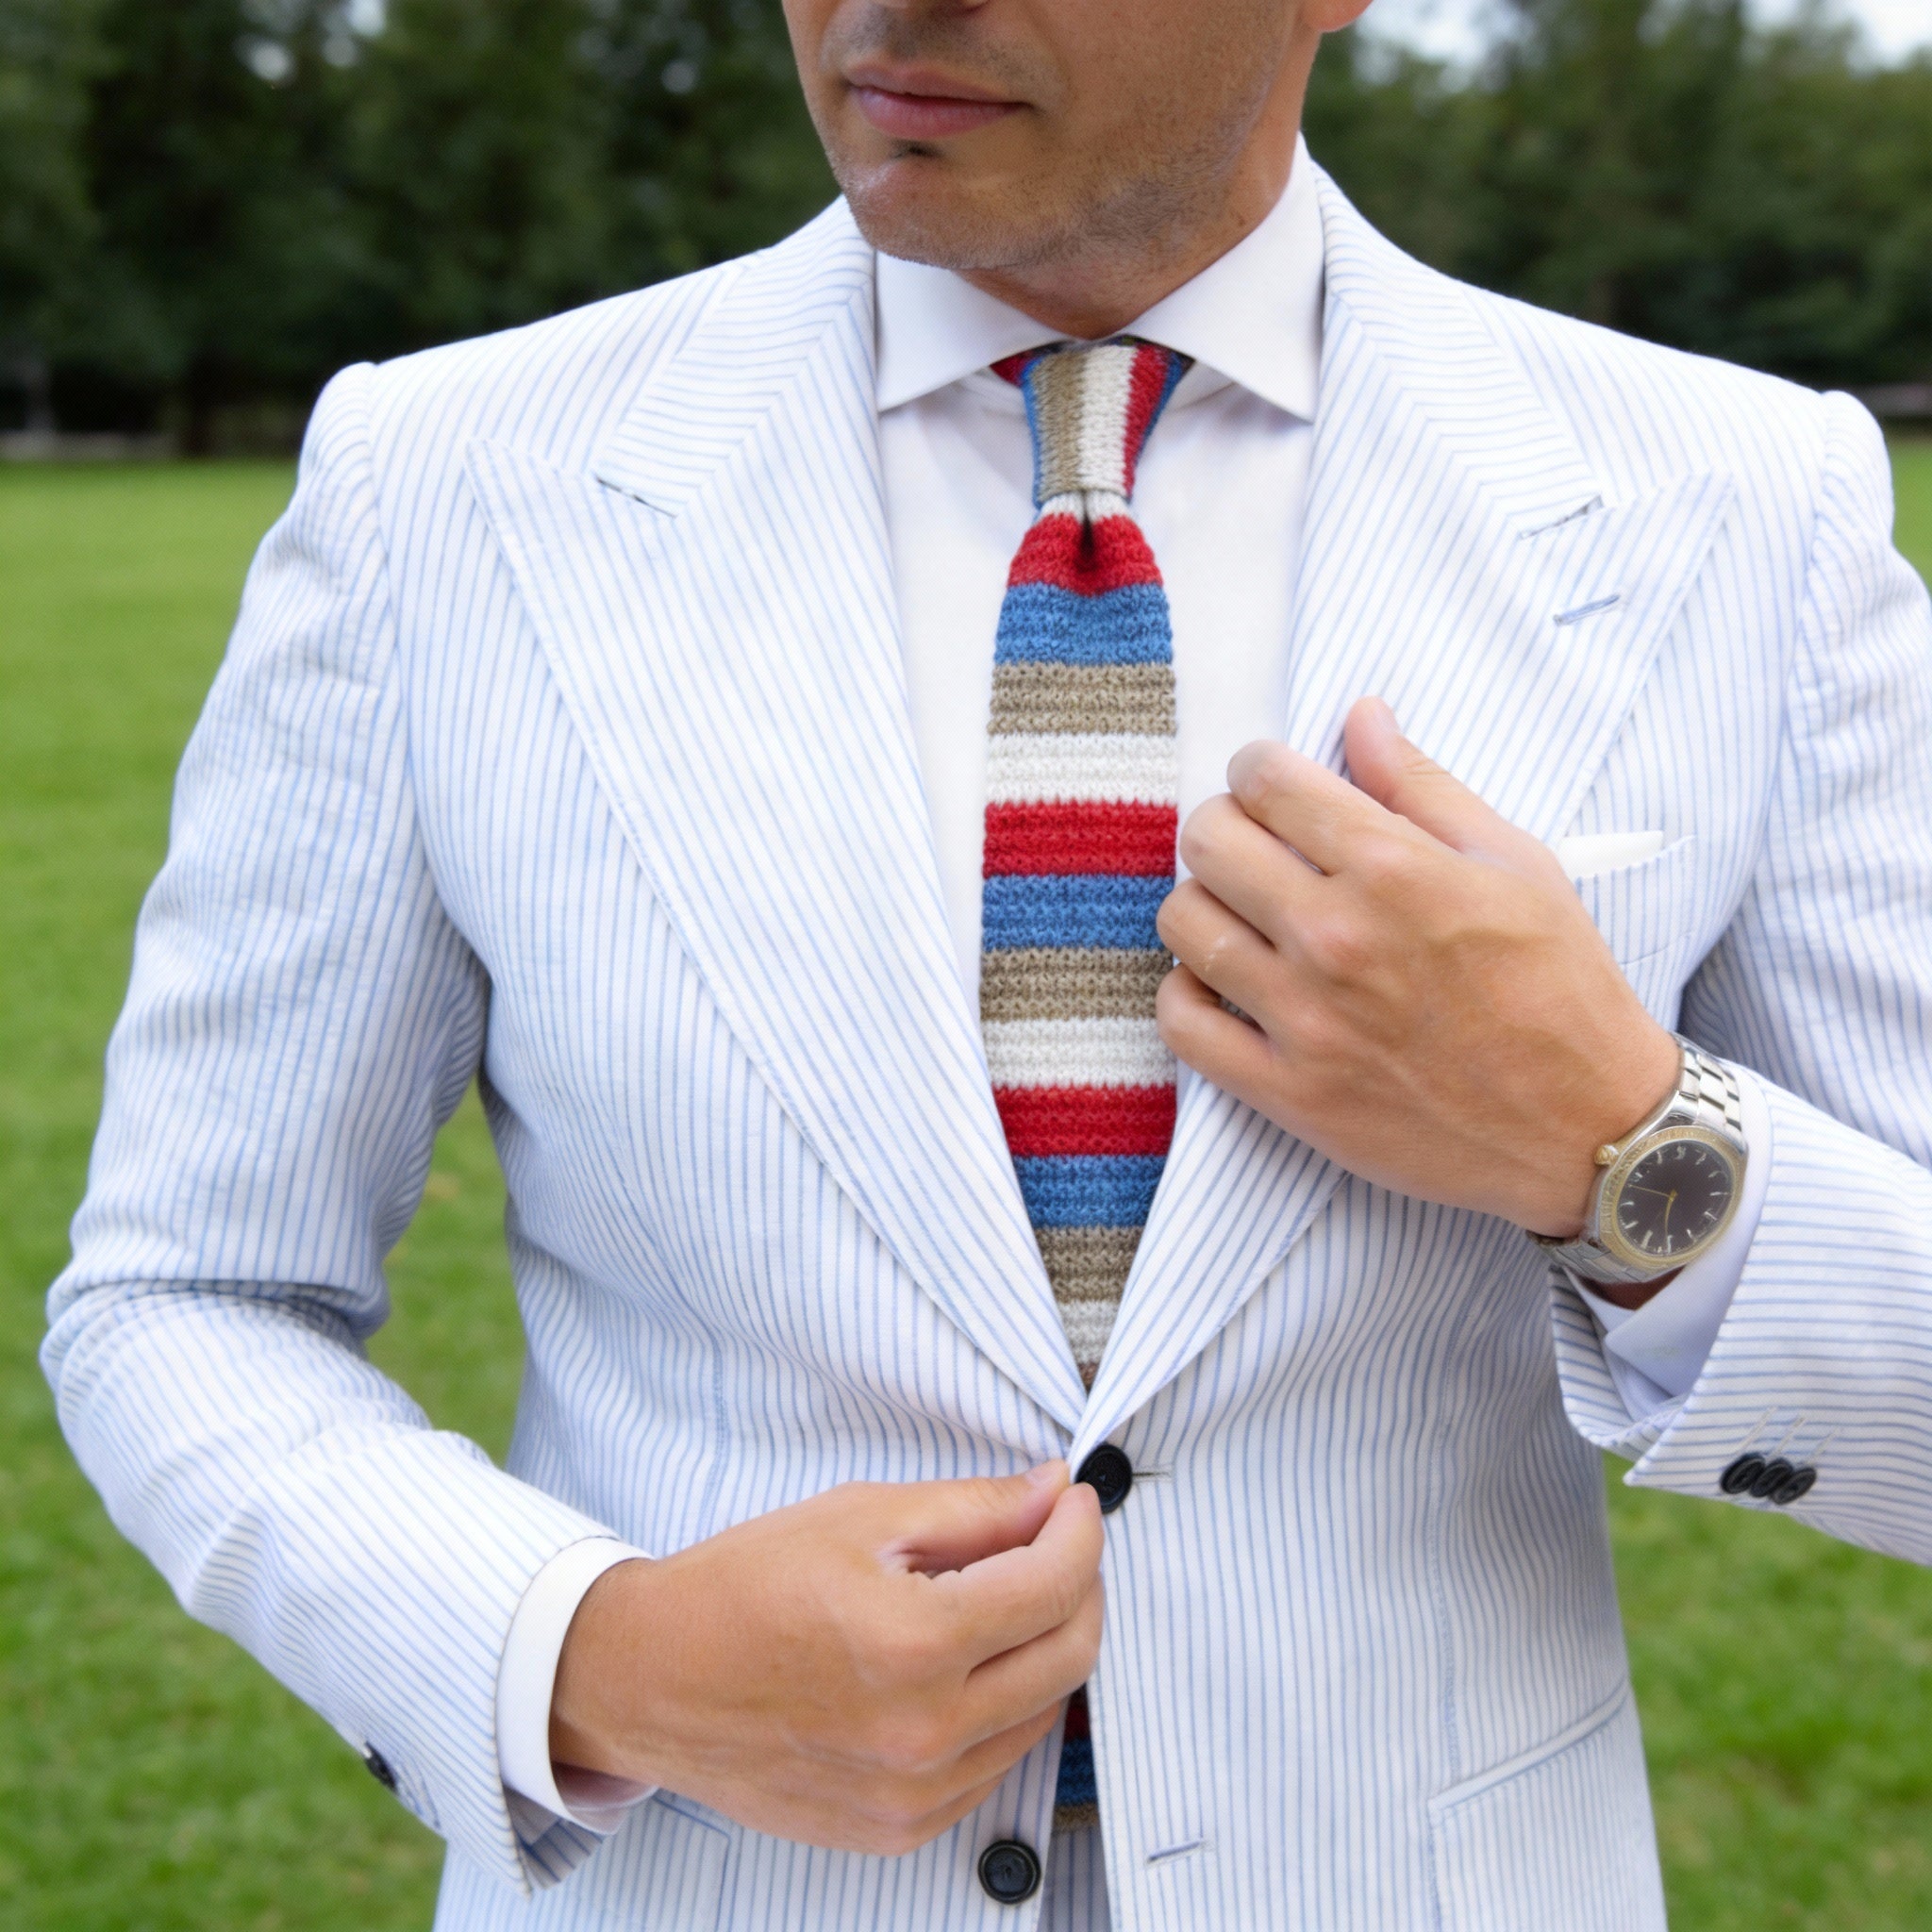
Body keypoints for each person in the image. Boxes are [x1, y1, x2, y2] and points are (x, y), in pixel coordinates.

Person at [43, 0, 1932, 1923]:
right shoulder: (436, 487)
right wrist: (589, 1656)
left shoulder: (1741, 512)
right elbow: (189, 1295)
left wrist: (1622, 1148)